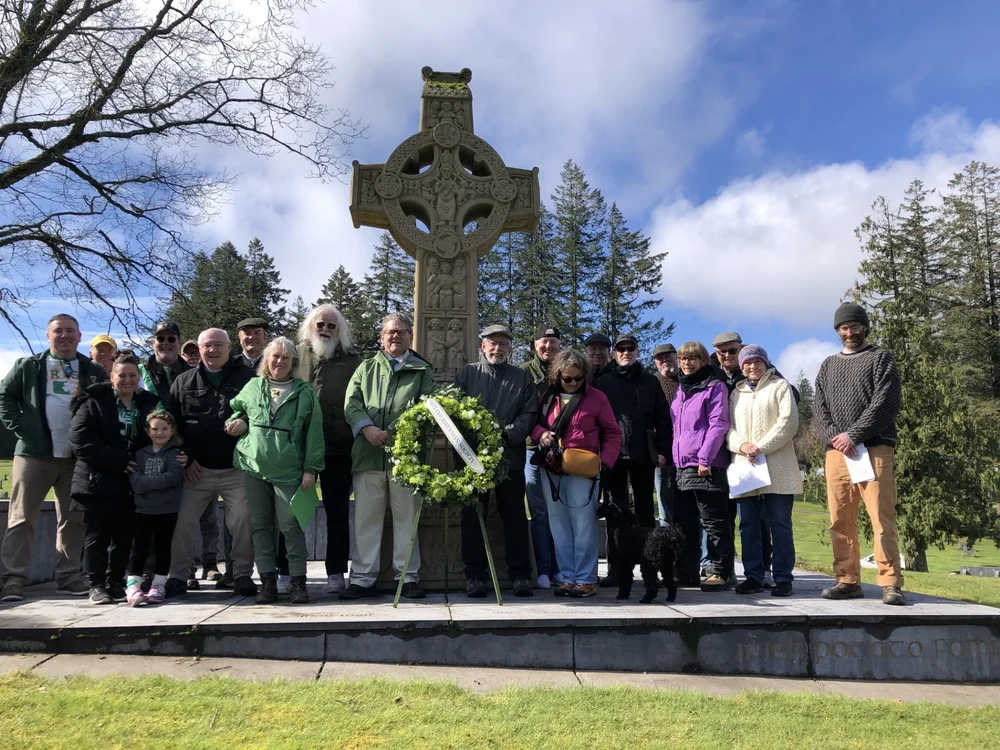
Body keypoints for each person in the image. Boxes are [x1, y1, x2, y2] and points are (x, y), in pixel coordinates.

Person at [0, 314, 108, 602]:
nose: (64, 336)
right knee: (21, 518)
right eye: (58, 331)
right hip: (33, 454)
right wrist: (22, 428)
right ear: (48, 336)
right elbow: (4, 396)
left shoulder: (93, 370)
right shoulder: (29, 366)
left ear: (80, 336)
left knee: (73, 519)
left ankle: (69, 575)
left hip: (76, 458)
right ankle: (13, 578)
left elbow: (104, 408)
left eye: (70, 331)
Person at [815, 302, 904, 606]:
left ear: (864, 327)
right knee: (840, 519)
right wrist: (837, 438)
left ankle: (890, 582)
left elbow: (886, 402)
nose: (850, 332)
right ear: (837, 330)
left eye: (854, 326)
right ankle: (847, 580)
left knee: (881, 518)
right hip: (837, 453)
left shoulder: (880, 358)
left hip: (875, 448)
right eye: (844, 327)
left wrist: (853, 435)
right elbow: (820, 408)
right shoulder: (828, 364)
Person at [342, 313, 435, 600]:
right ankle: (362, 579)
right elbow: (351, 403)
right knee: (366, 521)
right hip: (367, 455)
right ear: (381, 337)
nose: (395, 336)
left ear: (411, 336)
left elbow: (426, 407)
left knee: (407, 520)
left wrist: (397, 431)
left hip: (405, 460)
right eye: (390, 332)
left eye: (401, 332)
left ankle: (407, 577)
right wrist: (367, 428)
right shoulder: (366, 368)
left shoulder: (422, 370)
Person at [225, 337, 324, 604]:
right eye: (275, 356)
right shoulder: (253, 386)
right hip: (254, 466)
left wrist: (311, 469)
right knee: (261, 526)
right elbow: (237, 411)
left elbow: (314, 433)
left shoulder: (305, 392)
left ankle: (298, 583)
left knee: (291, 525)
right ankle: (267, 583)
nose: (280, 361)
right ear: (266, 360)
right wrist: (238, 421)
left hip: (290, 469)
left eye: (286, 357)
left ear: (294, 362)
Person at [165, 328, 256, 597]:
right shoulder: (183, 382)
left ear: (229, 347)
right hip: (196, 470)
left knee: (242, 522)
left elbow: (260, 413)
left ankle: (241, 574)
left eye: (218, 345)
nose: (212, 350)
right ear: (199, 349)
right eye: (207, 346)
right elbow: (171, 424)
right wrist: (187, 459)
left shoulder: (249, 378)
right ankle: (178, 575)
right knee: (182, 522)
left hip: (236, 467)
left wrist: (245, 422)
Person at [68, 351, 161, 604]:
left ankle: (116, 582)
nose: (127, 380)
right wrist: (118, 460)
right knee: (97, 535)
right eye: (122, 375)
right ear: (111, 377)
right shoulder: (93, 402)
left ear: (138, 377)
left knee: (124, 535)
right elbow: (80, 440)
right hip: (98, 479)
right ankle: (96, 585)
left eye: (132, 375)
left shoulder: (148, 404)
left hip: (130, 482)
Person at [455, 324, 537, 598]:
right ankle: (475, 577)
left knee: (514, 517)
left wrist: (505, 434)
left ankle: (520, 575)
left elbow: (528, 414)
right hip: (471, 459)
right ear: (483, 346)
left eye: (503, 343)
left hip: (509, 459)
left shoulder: (522, 378)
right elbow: (453, 411)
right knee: (471, 518)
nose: (497, 348)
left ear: (510, 348)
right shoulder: (467, 374)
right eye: (492, 343)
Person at [531, 349, 621, 597]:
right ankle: (568, 577)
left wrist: (606, 462)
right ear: (557, 375)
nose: (572, 383)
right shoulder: (547, 398)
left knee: (583, 524)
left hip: (584, 468)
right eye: (567, 379)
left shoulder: (597, 398)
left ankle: (585, 578)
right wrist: (541, 434)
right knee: (558, 524)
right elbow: (534, 424)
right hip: (552, 468)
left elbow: (613, 433)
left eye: (578, 378)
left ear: (585, 375)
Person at [593, 334, 671, 587]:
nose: (626, 352)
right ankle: (616, 570)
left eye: (630, 348)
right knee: (615, 514)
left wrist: (663, 450)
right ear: (614, 354)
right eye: (621, 349)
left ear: (638, 352)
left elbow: (663, 417)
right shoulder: (603, 382)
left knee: (646, 514)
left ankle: (651, 570)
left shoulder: (650, 381)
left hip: (642, 454)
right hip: (612, 456)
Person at [296, 304, 362, 594]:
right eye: (320, 324)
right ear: (311, 326)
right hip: (299, 449)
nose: (325, 329)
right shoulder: (294, 355)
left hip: (339, 447)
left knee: (337, 512)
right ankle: (289, 571)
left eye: (331, 326)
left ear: (340, 330)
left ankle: (336, 571)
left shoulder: (354, 362)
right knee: (294, 512)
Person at [727, 345, 800, 597]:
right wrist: (742, 445)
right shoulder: (736, 393)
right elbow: (728, 427)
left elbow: (788, 423)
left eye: (757, 361)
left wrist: (760, 447)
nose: (752, 366)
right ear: (741, 366)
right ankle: (753, 577)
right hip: (746, 467)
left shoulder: (780, 386)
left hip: (777, 466)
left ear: (766, 363)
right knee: (748, 525)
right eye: (747, 363)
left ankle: (783, 578)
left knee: (779, 524)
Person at [671, 341, 735, 592]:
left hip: (705, 465)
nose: (687, 363)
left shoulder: (714, 386)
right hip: (682, 466)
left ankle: (721, 571)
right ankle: (686, 572)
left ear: (703, 361)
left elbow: (718, 423)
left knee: (714, 522)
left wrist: (705, 458)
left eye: (692, 358)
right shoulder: (681, 389)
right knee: (684, 523)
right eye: (683, 359)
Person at [126, 411, 185, 606]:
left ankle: (159, 584)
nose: (160, 433)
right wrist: (155, 482)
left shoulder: (175, 454)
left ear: (172, 430)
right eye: (155, 429)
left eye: (165, 428)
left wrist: (147, 483)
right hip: (143, 509)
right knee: (139, 548)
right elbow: (136, 482)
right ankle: (133, 585)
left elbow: (173, 478)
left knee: (163, 548)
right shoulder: (139, 454)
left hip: (167, 510)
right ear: (147, 431)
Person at [521, 325, 562, 589]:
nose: (548, 346)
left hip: (561, 450)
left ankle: (560, 567)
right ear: (535, 345)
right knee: (539, 511)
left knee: (559, 510)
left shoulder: (566, 370)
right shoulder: (524, 372)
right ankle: (544, 569)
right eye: (543, 342)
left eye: (553, 342)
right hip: (531, 449)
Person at [652, 343, 679, 524]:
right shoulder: (651, 382)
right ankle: (666, 540)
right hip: (661, 453)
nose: (665, 360)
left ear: (676, 357)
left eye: (668, 356)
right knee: (664, 505)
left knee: (688, 506)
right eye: (660, 358)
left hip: (686, 453)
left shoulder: (686, 380)